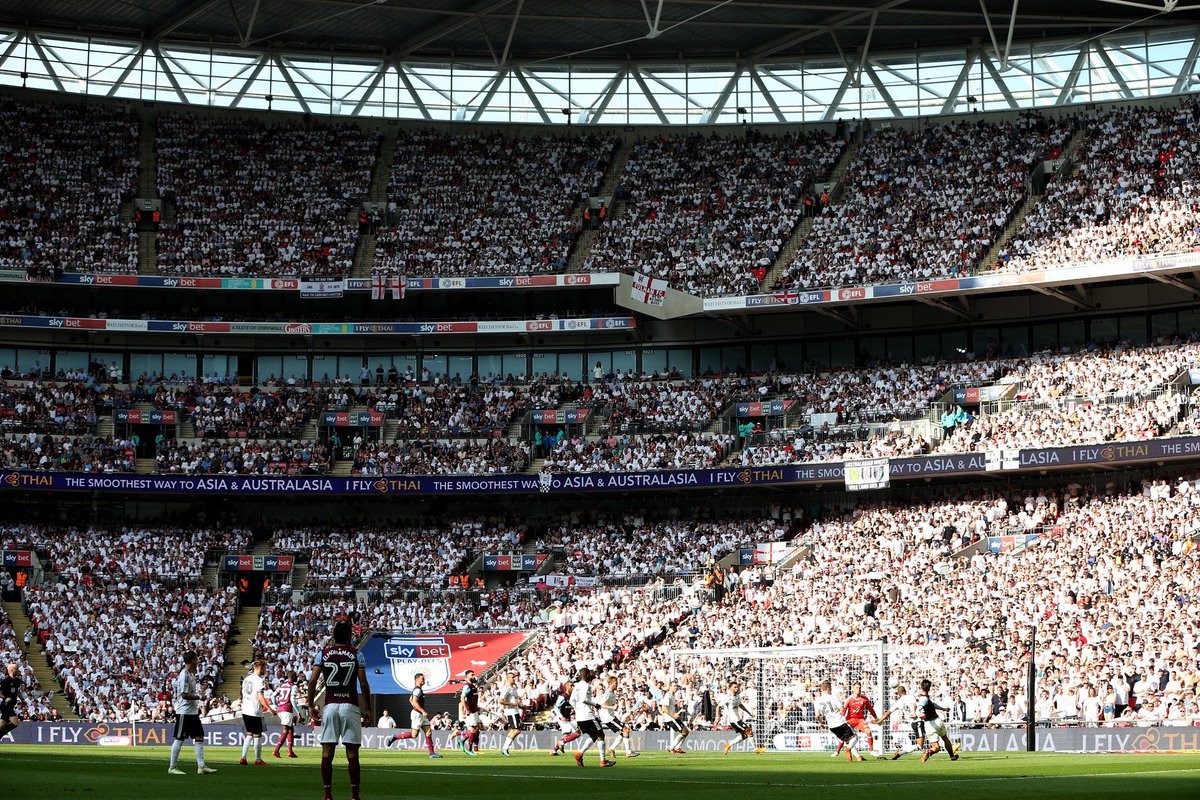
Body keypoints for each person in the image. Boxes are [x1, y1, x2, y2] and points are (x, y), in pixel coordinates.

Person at [308, 620, 373, 800]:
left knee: (327, 751)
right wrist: (368, 708)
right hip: (350, 706)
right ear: (350, 636)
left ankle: (328, 794)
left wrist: (310, 704)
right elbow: (364, 684)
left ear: (334, 635)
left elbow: (313, 681)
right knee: (352, 752)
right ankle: (354, 795)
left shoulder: (323, 654)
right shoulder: (356, 654)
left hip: (330, 706)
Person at [167, 651, 217, 775]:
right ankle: (172, 767)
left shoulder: (189, 674)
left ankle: (201, 766)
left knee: (199, 736)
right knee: (179, 739)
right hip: (184, 712)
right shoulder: (184, 675)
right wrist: (199, 697)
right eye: (196, 659)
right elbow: (184, 695)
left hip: (192, 712)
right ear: (191, 661)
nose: (197, 662)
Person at [569, 667, 614, 768]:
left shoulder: (576, 686)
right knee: (601, 735)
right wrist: (595, 705)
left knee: (594, 736)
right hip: (588, 715)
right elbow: (584, 700)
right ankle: (603, 761)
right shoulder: (586, 686)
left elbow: (571, 701)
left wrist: (578, 710)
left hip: (579, 717)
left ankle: (579, 754)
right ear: (588, 675)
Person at [389, 672, 441, 758]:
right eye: (422, 679)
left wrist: (418, 707)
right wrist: (422, 711)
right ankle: (394, 737)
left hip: (420, 714)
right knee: (414, 735)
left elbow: (411, 700)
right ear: (417, 680)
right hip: (417, 714)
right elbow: (414, 701)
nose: (424, 680)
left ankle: (432, 754)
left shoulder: (418, 689)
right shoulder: (417, 690)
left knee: (428, 732)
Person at [815, 680, 862, 762]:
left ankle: (858, 756)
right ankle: (848, 749)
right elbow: (842, 709)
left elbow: (817, 715)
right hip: (840, 722)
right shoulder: (833, 697)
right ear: (828, 688)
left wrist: (821, 722)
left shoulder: (817, 701)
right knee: (855, 737)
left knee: (847, 740)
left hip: (832, 726)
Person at [240, 660, 276, 765]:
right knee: (257, 735)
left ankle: (243, 757)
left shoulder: (246, 679)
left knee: (249, 734)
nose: (265, 670)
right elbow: (260, 696)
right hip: (254, 711)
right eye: (263, 668)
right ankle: (258, 759)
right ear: (258, 667)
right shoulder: (259, 680)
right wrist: (269, 708)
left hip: (245, 710)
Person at [875, 685, 926, 760]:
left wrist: (879, 721)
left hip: (913, 723)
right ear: (905, 691)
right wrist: (914, 712)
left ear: (899, 693)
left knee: (919, 745)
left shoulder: (898, 702)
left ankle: (901, 751)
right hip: (918, 721)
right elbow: (915, 704)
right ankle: (901, 752)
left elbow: (887, 713)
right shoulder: (910, 696)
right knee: (920, 746)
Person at [917, 679, 959, 762]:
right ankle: (952, 756)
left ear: (921, 687)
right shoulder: (926, 698)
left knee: (936, 747)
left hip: (929, 725)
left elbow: (920, 707)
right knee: (945, 738)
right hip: (937, 721)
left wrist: (919, 713)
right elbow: (930, 705)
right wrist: (944, 709)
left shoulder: (923, 698)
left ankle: (929, 751)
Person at [598, 674, 638, 759]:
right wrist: (612, 707)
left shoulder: (612, 693)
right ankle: (628, 752)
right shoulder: (608, 693)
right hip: (608, 718)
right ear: (611, 683)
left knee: (624, 731)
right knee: (625, 730)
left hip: (611, 716)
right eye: (615, 683)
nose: (617, 685)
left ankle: (612, 749)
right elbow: (600, 704)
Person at [836, 682, 878, 757]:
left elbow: (870, 709)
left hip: (860, 720)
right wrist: (841, 720)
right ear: (853, 689)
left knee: (868, 731)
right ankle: (837, 751)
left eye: (859, 688)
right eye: (857, 688)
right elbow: (844, 710)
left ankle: (871, 750)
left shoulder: (864, 699)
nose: (858, 689)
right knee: (845, 736)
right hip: (850, 720)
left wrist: (876, 718)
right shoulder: (849, 699)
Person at [721, 680, 758, 755]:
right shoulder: (727, 697)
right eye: (735, 687)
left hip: (738, 719)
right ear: (730, 688)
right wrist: (718, 716)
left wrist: (749, 713)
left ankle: (728, 745)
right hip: (734, 720)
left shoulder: (738, 696)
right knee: (749, 730)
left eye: (737, 687)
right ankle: (756, 749)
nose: (737, 688)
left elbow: (740, 705)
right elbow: (719, 706)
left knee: (744, 735)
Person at [658, 680, 691, 754]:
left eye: (676, 686)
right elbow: (664, 708)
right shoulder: (668, 695)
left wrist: (677, 713)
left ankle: (677, 747)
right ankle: (671, 747)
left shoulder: (672, 695)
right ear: (670, 687)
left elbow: (669, 708)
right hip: (670, 718)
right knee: (683, 732)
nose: (676, 688)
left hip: (673, 717)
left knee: (686, 732)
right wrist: (673, 716)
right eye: (674, 686)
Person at [549, 679, 581, 755]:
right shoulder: (563, 697)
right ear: (567, 687)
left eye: (573, 685)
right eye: (571, 686)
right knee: (577, 733)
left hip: (567, 718)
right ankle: (561, 743)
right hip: (562, 719)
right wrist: (561, 716)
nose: (573, 687)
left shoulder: (571, 697)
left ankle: (554, 750)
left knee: (566, 736)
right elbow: (556, 708)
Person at [272, 670, 299, 759]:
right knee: (286, 730)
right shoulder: (293, 686)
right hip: (287, 709)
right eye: (296, 676)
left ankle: (290, 751)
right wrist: (298, 712)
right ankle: (276, 750)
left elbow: (273, 696)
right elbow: (292, 700)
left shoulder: (281, 685)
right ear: (294, 677)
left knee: (290, 728)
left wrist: (277, 706)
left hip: (281, 709)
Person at [457, 669, 482, 755]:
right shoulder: (467, 686)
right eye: (472, 675)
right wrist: (467, 710)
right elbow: (462, 698)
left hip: (474, 710)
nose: (474, 676)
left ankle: (462, 740)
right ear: (467, 676)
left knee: (476, 729)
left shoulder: (473, 686)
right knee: (472, 729)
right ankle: (470, 749)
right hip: (470, 711)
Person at [498, 673, 523, 756]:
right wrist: (512, 704)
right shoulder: (506, 688)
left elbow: (515, 701)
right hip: (511, 712)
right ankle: (505, 748)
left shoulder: (512, 688)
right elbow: (501, 700)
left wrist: (522, 707)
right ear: (508, 678)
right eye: (512, 677)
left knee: (513, 730)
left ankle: (504, 749)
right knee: (517, 730)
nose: (514, 679)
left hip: (515, 711)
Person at [0, 662, 23, 739]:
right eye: (17, 669)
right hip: (6, 705)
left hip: (11, 705)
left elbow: (18, 691)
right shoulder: (5, 681)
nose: (18, 671)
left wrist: (22, 699)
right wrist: (5, 698)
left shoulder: (17, 681)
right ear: (12, 670)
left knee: (2, 724)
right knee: (15, 723)